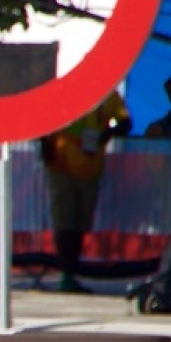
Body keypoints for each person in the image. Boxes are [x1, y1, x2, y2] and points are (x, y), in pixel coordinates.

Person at [39, 88, 129, 293]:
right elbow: (43, 120)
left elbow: (125, 122)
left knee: (80, 223)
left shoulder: (109, 94)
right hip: (62, 164)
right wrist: (46, 146)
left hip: (89, 167)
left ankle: (72, 273)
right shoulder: (67, 89)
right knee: (65, 221)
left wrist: (107, 133)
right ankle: (67, 275)